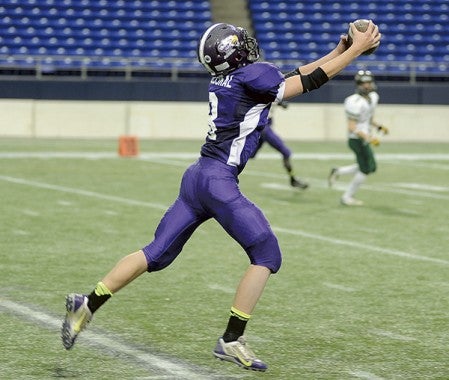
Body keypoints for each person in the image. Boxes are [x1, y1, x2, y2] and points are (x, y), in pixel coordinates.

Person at [61, 22, 380, 371]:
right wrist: (355, 51)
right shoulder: (253, 75)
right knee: (267, 254)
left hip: (197, 177)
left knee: (155, 253)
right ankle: (231, 339)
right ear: (235, 52)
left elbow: (294, 75)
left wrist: (338, 51)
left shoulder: (227, 78)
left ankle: (87, 303)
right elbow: (306, 82)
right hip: (219, 182)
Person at [328, 70, 389, 206]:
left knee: (368, 167)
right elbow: (352, 126)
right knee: (367, 168)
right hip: (356, 139)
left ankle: (338, 171)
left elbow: (368, 118)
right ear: (358, 85)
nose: (367, 85)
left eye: (368, 82)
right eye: (364, 83)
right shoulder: (353, 101)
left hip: (364, 137)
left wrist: (379, 126)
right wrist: (369, 138)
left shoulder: (373, 97)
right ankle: (347, 197)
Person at [250, 100, 309, 189]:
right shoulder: (263, 90)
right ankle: (293, 179)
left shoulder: (271, 91)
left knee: (250, 155)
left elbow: (280, 101)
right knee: (286, 152)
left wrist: (279, 102)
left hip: (264, 125)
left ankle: (225, 168)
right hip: (263, 126)